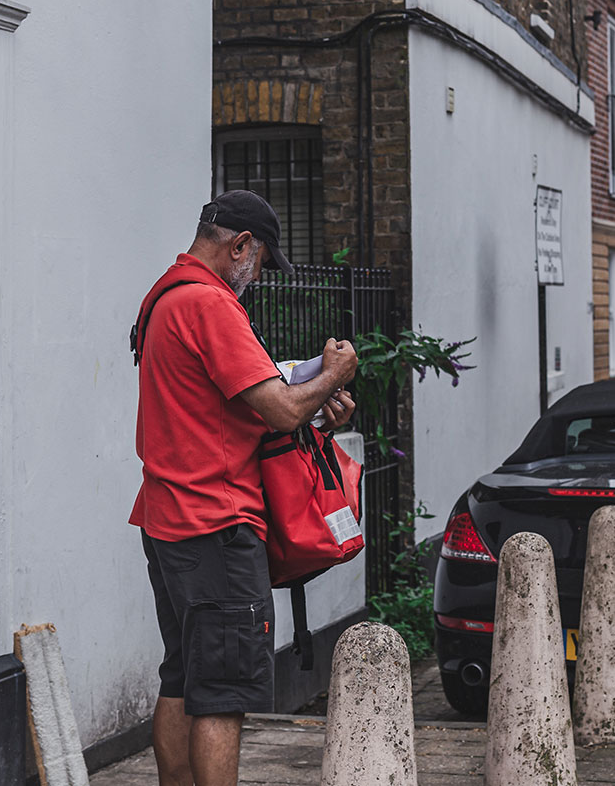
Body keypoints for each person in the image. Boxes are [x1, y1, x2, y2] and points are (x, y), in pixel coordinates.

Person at [130, 189, 359, 786]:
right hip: (216, 522)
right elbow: (280, 410)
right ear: (239, 245)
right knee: (222, 695)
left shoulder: (164, 297)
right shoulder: (211, 305)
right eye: (258, 263)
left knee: (183, 679)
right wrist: (332, 376)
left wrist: (311, 401)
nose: (255, 278)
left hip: (168, 518)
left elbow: (228, 405)